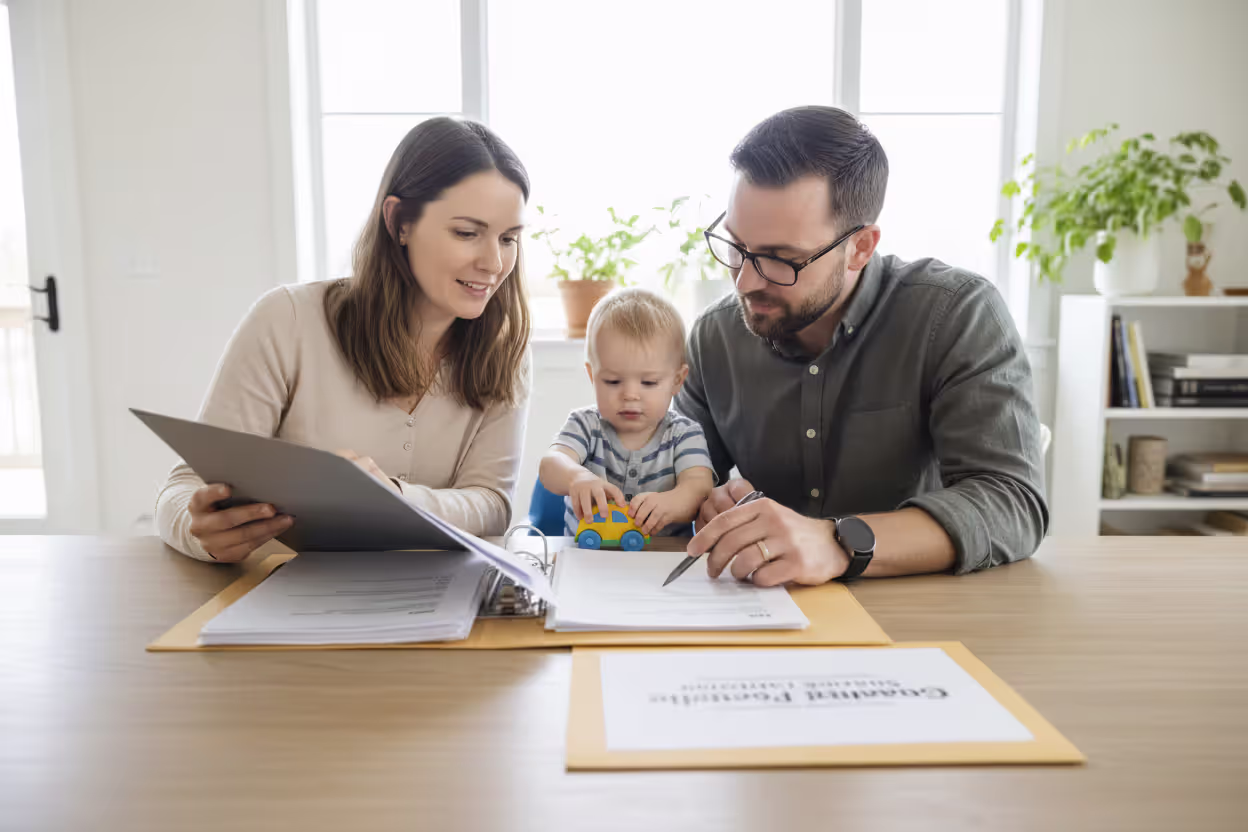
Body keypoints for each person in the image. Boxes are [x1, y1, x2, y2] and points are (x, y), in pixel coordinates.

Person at [675, 105, 1047, 586]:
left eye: (779, 259)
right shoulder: (716, 336)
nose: (744, 282)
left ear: (861, 247)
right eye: (736, 246)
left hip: (920, 618)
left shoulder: (955, 315)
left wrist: (836, 543)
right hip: (763, 608)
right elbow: (668, 468)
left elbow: (1012, 502)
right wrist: (705, 498)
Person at [156, 118, 532, 562]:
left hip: (430, 602)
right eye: (467, 233)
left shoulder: (504, 345)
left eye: (508, 239)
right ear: (399, 221)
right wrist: (199, 532)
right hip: (284, 596)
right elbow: (185, 486)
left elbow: (491, 503)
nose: (494, 262)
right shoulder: (288, 321)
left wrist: (393, 497)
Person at [539, 288, 714, 538]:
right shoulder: (585, 425)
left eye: (649, 383)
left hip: (661, 562)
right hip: (587, 560)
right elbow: (550, 465)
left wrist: (672, 503)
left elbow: (699, 488)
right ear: (592, 376)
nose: (630, 395)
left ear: (677, 380)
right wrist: (576, 477)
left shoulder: (684, 435)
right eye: (612, 381)